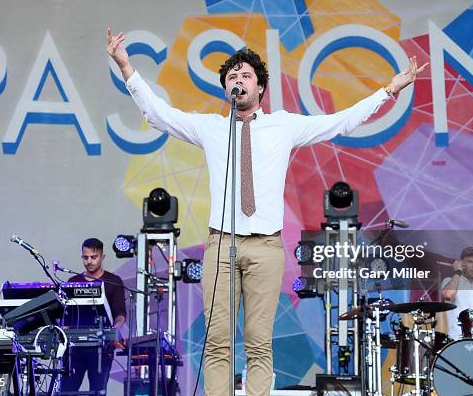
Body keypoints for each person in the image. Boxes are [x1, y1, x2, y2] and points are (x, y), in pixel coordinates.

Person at [107, 28, 427, 396]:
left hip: (265, 247)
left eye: (245, 76)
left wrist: (388, 91)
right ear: (226, 89)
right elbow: (159, 114)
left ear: (260, 88)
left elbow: (340, 121)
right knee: (217, 343)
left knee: (259, 342)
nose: (238, 81)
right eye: (231, 77)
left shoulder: (284, 125)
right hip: (221, 245)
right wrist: (127, 67)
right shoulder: (211, 127)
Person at [61, 238, 126, 394]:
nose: (89, 261)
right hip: (74, 348)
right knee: (67, 391)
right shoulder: (73, 281)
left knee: (97, 391)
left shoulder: (114, 281)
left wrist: (114, 330)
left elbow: (120, 315)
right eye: (85, 257)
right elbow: (66, 317)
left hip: (101, 347)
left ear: (102, 257)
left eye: (93, 257)